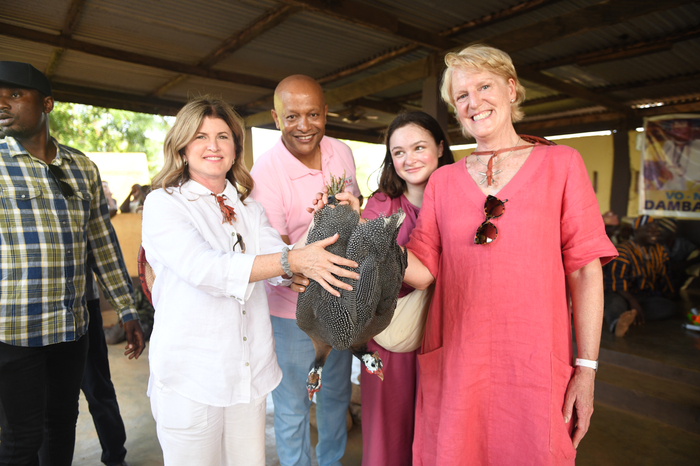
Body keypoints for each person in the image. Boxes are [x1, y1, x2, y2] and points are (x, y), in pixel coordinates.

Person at [399, 45, 617, 465]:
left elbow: (586, 273)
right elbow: (423, 270)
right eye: (461, 96)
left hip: (533, 368)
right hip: (460, 367)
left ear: (512, 89)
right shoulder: (443, 181)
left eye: (484, 86)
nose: (473, 102)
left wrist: (586, 369)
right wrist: (358, 237)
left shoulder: (562, 165)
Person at [141, 96, 359, 466]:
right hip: (193, 378)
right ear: (181, 147)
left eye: (223, 136)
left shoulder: (248, 208)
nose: (213, 146)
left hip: (248, 375)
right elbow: (205, 269)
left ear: (235, 148)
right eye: (200, 136)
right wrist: (291, 260)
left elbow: (280, 263)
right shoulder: (164, 204)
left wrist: (327, 217)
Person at [0, 61, 144, 466]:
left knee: (62, 420)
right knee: (18, 438)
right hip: (13, 330)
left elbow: (101, 242)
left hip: (71, 327)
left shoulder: (82, 168)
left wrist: (127, 309)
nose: (2, 104)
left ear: (46, 103)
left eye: (14, 94)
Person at [249, 74, 361, 466]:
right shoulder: (266, 171)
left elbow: (355, 210)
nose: (304, 126)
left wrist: (354, 212)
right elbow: (279, 250)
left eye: (313, 114)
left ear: (325, 113)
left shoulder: (340, 151)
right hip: (290, 310)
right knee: (294, 404)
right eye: (292, 116)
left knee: (335, 398)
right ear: (276, 118)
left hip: (340, 301)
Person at [360, 111, 454, 466]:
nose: (408, 158)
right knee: (388, 431)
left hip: (448, 333)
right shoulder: (381, 204)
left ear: (441, 147)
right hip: (392, 334)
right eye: (398, 152)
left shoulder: (463, 203)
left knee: (443, 430)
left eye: (419, 147)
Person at [81, 269, 130, 466]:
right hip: (25, 310)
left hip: (82, 303)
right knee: (45, 402)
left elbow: (107, 256)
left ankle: (116, 457)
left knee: (98, 388)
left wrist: (126, 311)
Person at [603, 215, 678, 337]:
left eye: (656, 230)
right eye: (649, 230)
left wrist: (670, 293)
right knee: (615, 302)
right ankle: (618, 325)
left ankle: (631, 315)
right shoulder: (623, 251)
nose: (654, 234)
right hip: (621, 294)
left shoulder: (660, 251)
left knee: (669, 307)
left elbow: (665, 277)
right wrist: (632, 301)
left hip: (643, 297)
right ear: (637, 231)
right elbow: (615, 284)